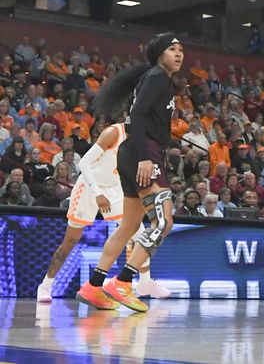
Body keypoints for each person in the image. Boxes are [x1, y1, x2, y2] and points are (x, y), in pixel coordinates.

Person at [77, 32, 183, 313]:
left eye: (180, 49)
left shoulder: (158, 78)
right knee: (163, 221)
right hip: (142, 150)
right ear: (160, 54)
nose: (179, 54)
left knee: (129, 227)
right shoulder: (158, 77)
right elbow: (136, 115)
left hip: (134, 151)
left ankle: (93, 286)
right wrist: (146, 157)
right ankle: (123, 282)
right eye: (172, 49)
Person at [37, 123, 169, 303]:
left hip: (114, 189)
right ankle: (45, 285)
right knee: (71, 240)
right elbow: (84, 163)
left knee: (136, 230)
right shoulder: (114, 133)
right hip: (89, 188)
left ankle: (145, 282)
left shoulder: (143, 145)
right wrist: (98, 193)